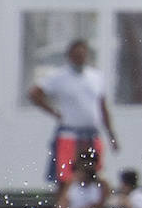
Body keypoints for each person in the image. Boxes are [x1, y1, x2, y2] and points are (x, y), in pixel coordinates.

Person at [29, 39, 119, 184]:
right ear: (70, 56)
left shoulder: (95, 77)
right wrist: (54, 112)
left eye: (82, 55)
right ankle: (64, 205)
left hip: (91, 133)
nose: (80, 58)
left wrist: (111, 135)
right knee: (65, 177)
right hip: (69, 134)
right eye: (76, 55)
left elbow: (103, 108)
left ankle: (90, 205)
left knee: (94, 176)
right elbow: (34, 94)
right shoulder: (59, 76)